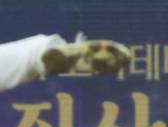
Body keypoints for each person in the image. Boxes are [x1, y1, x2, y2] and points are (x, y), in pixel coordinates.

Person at [0, 32, 131, 92]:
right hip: (38, 55)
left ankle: (76, 56)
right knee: (45, 57)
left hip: (37, 56)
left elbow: (49, 59)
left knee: (45, 57)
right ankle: (77, 56)